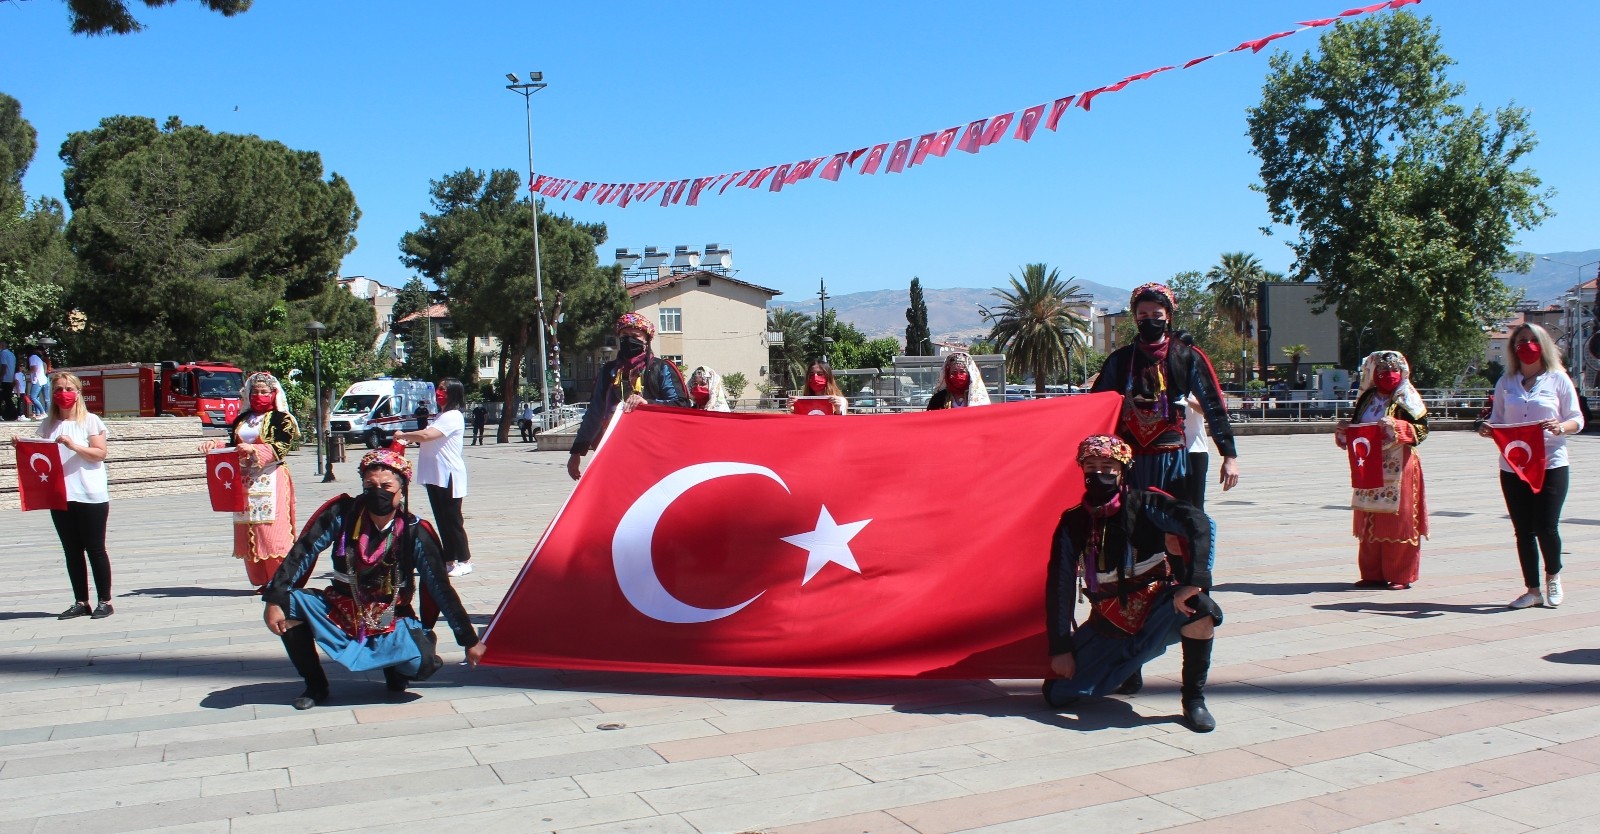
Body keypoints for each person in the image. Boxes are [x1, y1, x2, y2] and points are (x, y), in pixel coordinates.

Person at [261, 445, 486, 709]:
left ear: (402, 490)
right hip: (340, 608)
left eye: (386, 486)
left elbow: (440, 588)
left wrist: (469, 639)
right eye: (370, 485)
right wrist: (274, 599)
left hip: (390, 614)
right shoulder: (342, 514)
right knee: (286, 603)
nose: (378, 492)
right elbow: (303, 551)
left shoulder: (415, 532)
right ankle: (315, 684)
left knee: (421, 665)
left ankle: (396, 668)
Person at [1043, 435, 1221, 732]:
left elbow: (1200, 523)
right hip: (1109, 622)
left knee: (1201, 610)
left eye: (1108, 467)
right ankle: (1129, 667)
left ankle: (1194, 699)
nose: (1099, 473)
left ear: (1123, 470)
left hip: (1158, 606)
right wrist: (1060, 647)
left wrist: (1194, 582)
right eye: (1091, 466)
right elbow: (1059, 584)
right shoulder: (1073, 520)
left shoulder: (1147, 504)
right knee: (1056, 694)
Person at [1091, 283, 1238, 496]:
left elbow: (1214, 407)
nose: (1149, 319)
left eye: (1156, 314)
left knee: (1173, 513)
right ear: (1135, 318)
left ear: (1168, 316)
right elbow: (1097, 404)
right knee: (1134, 514)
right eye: (1143, 314)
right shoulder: (1120, 360)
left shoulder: (1187, 357)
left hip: (1173, 458)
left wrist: (1229, 456)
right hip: (1130, 458)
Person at [1480, 324, 1583, 609]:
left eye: (1532, 340)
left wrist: (1560, 426)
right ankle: (1532, 590)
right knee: (1523, 530)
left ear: (1543, 344)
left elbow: (1577, 419)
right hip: (1514, 466)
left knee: (1546, 526)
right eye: (1521, 340)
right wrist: (1488, 428)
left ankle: (1553, 575)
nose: (1526, 345)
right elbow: (1498, 419)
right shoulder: (1506, 382)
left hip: (1551, 462)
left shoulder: (1558, 379)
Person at [199, 372, 301, 592]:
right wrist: (216, 445)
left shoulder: (282, 419)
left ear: (273, 394)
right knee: (248, 528)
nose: (259, 395)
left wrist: (255, 449)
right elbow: (232, 445)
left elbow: (282, 447)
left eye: (264, 391)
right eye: (255, 391)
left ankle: (280, 580)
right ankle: (263, 579)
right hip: (245, 479)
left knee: (270, 529)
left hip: (270, 476)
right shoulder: (241, 420)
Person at [1336, 351, 1429, 591]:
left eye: (1393, 370)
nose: (1388, 375)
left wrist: (1398, 426)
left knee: (1398, 520)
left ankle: (1400, 573)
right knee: (1369, 517)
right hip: (1369, 463)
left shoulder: (1407, 398)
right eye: (1383, 371)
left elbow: (1422, 431)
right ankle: (1372, 573)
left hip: (1400, 464)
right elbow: (1359, 427)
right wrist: (1347, 430)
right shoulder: (1366, 398)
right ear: (1373, 373)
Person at [28, 372, 114, 619]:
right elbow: (41, 454)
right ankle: (81, 601)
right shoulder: (49, 424)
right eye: (58, 389)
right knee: (72, 550)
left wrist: (72, 445)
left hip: (90, 493)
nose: (63, 394)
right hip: (61, 494)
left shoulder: (91, 421)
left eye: (68, 389)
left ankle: (105, 601)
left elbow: (100, 453)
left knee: (95, 549)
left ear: (78, 393)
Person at [567, 312, 691, 480]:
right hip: (616, 450)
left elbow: (681, 404)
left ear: (646, 340)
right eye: (624, 335)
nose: (629, 340)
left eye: (635, 336)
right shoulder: (608, 371)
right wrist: (576, 452)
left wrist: (647, 403)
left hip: (655, 452)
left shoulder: (661, 368)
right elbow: (594, 413)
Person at [394, 378, 473, 580]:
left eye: (444, 389)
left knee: (452, 520)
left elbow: (427, 436)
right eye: (439, 388)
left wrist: (404, 435)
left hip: (448, 475)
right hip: (435, 475)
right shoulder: (441, 415)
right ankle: (449, 560)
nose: (439, 392)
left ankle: (464, 561)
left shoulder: (453, 416)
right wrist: (408, 439)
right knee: (442, 519)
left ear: (453, 393)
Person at [926, 352, 991, 410]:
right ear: (947, 374)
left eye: (962, 372)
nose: (958, 376)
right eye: (954, 372)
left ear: (970, 374)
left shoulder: (979, 399)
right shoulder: (938, 399)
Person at [28, 347, 50, 418]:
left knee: (33, 397)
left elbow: (34, 369)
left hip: (37, 380)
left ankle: (43, 412)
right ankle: (38, 413)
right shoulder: (37, 358)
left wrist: (26, 372)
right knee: (36, 397)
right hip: (42, 379)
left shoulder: (32, 357)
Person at [0, 338, 15, 420]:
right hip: (10, 378)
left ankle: (12, 414)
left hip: (4, 379)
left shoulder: (2, 353)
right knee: (7, 397)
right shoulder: (12, 354)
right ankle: (10, 414)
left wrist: (1, 376)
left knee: (6, 398)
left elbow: (4, 366)